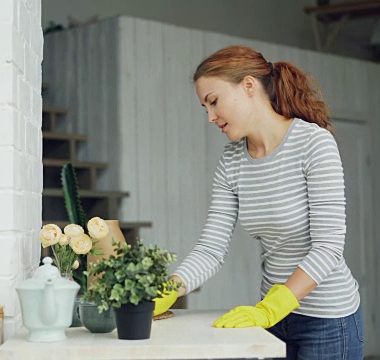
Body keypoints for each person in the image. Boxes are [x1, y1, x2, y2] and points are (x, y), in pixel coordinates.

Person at [153, 45, 363, 359]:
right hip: (273, 320)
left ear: (248, 86)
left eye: (214, 102)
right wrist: (171, 288)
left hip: (328, 321)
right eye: (204, 108)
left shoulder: (313, 143)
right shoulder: (232, 160)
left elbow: (328, 246)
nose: (210, 117)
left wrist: (272, 307)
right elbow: (211, 248)